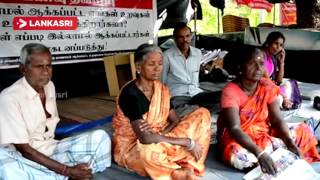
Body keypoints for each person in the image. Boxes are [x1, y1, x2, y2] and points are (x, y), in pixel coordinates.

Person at [0, 43, 111, 179]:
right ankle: (64, 173)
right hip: (22, 156)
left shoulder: (49, 86)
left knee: (100, 137)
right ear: (23, 69)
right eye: (39, 67)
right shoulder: (9, 97)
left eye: (49, 65)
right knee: (8, 169)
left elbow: (50, 123)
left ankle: (56, 174)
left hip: (49, 147)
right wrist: (66, 170)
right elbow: (24, 150)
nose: (46, 71)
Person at [112, 43, 211, 180]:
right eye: (151, 64)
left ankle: (188, 165)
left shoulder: (162, 89)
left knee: (203, 114)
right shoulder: (130, 94)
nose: (157, 69)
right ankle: (175, 171)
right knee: (147, 152)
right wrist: (186, 142)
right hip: (134, 147)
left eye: (160, 63)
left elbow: (174, 120)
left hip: (161, 137)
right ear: (139, 67)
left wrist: (161, 135)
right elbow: (144, 138)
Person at [217, 47, 320, 175]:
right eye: (252, 63)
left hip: (265, 133)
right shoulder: (230, 91)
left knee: (303, 129)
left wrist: (290, 143)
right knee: (238, 155)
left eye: (261, 63)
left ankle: (276, 152)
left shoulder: (266, 86)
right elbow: (235, 128)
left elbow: (276, 120)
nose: (258, 68)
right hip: (240, 139)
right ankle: (272, 155)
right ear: (240, 67)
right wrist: (259, 153)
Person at [161, 23, 221, 117]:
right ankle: (195, 109)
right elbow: (161, 82)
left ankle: (194, 109)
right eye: (181, 37)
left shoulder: (197, 53)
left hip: (196, 93)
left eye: (187, 36)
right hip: (178, 95)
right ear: (175, 39)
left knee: (223, 97)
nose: (185, 40)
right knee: (177, 112)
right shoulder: (166, 56)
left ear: (191, 36)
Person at [261, 31, 294, 109]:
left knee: (288, 84)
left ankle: (283, 102)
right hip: (261, 89)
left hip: (271, 88)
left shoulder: (272, 58)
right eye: (276, 43)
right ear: (268, 43)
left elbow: (278, 81)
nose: (278, 47)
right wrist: (284, 96)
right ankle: (283, 102)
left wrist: (281, 63)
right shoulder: (261, 57)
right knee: (278, 98)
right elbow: (268, 83)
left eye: (281, 45)